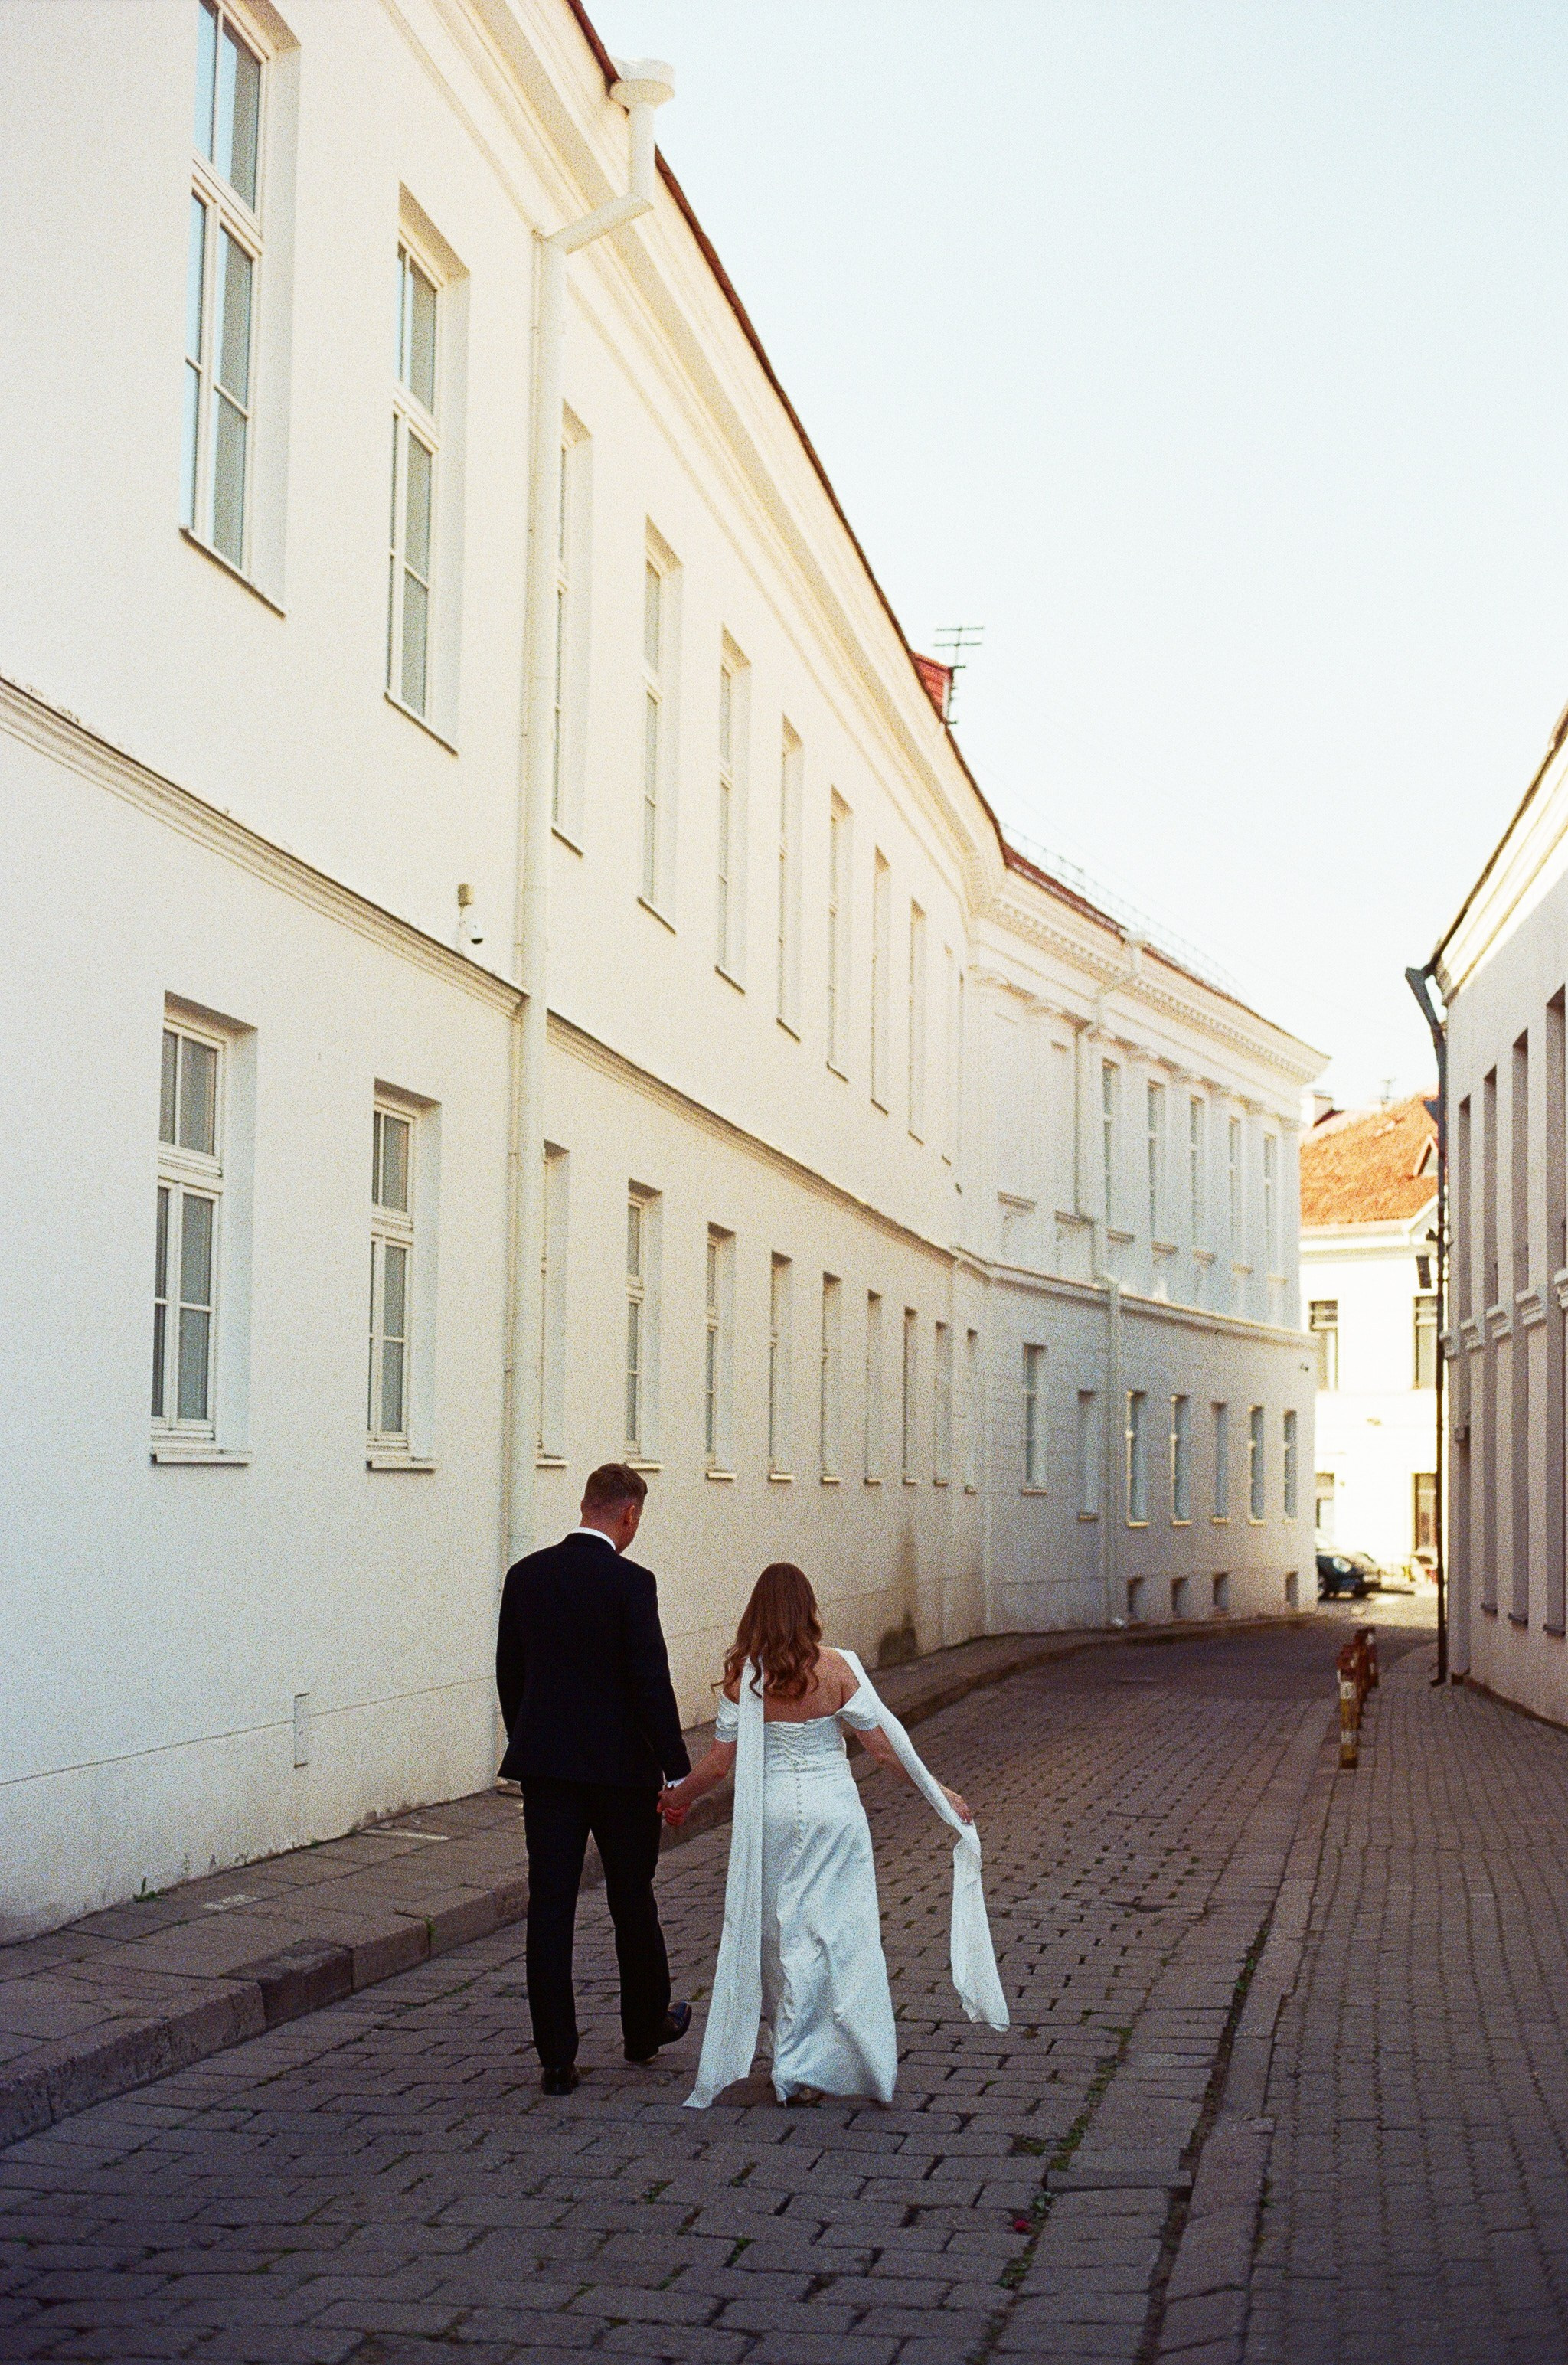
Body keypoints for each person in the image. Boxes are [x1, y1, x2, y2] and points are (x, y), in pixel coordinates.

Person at [659, 1563, 1008, 2108]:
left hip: (773, 1814)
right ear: (808, 1608)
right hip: (834, 1814)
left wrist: (676, 1796)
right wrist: (941, 1794)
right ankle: (834, 2053)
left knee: (780, 1935)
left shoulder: (744, 1676)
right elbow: (885, 1749)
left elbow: (719, 1764)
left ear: (756, 1612)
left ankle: (792, 2064)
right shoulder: (838, 1666)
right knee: (838, 1935)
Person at [496, 1463, 693, 2095]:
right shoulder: (632, 1583)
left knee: (550, 1905)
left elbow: (510, 1674)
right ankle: (644, 2027)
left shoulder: (526, 1576)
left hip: (548, 1769)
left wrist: (531, 1740)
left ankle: (556, 2056)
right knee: (631, 1897)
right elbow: (650, 1681)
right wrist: (677, 1768)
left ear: (585, 1504)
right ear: (629, 1514)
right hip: (621, 1772)